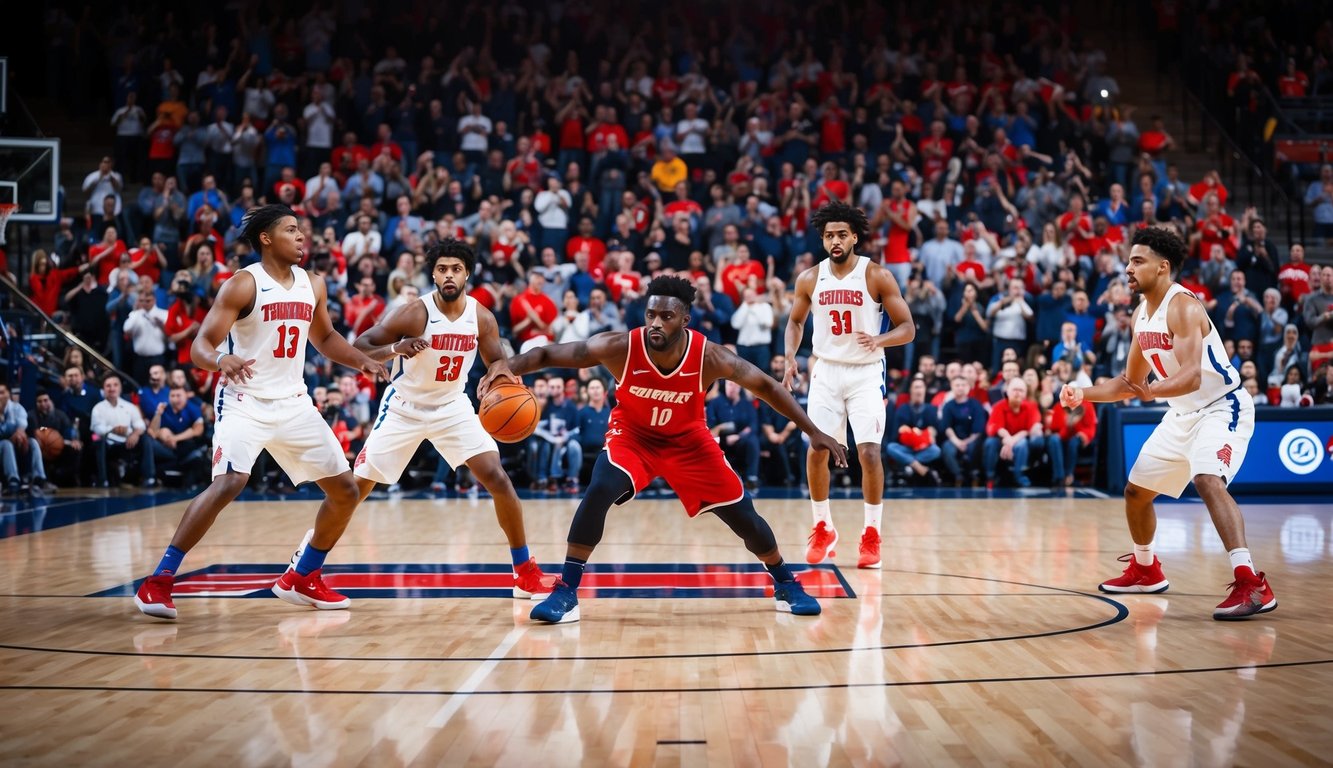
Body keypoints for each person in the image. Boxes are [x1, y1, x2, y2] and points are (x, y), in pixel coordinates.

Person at [480, 275, 848, 623]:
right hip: (634, 437)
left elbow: (767, 387)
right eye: (651, 314)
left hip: (689, 442)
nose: (656, 323)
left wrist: (813, 431)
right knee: (600, 489)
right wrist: (503, 367)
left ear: (685, 319)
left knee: (744, 516)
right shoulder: (621, 347)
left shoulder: (710, 356)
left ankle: (784, 582)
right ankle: (566, 591)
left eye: (667, 316)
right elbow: (547, 355)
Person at [135, 204, 388, 621]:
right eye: (291, 230)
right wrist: (219, 361)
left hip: (293, 402)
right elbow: (200, 345)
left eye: (301, 230)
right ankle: (158, 581)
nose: (302, 236)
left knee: (345, 491)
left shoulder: (314, 284)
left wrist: (361, 361)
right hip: (244, 399)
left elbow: (324, 337)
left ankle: (302, 577)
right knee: (229, 483)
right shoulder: (242, 284)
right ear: (267, 239)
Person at [1061, 227, 1276, 620]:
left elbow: (1192, 375)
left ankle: (1252, 582)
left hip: (1220, 406)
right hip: (1181, 414)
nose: (1128, 268)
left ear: (1163, 268)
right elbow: (1129, 383)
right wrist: (1082, 393)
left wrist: (1154, 389)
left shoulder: (1184, 307)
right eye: (1128, 261)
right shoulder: (1141, 317)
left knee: (1208, 480)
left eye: (1136, 261)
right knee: (1135, 493)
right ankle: (1146, 569)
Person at [348, 239, 555, 598]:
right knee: (354, 490)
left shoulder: (482, 317)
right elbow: (360, 345)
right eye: (442, 269)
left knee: (498, 479)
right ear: (433, 274)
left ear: (467, 274)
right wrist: (395, 348)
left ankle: (524, 571)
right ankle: (304, 569)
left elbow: (496, 360)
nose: (448, 275)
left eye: (455, 269)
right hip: (404, 407)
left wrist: (501, 375)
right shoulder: (414, 312)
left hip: (452, 406)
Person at [782, 201, 914, 570]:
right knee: (817, 448)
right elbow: (795, 322)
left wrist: (880, 340)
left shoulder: (877, 275)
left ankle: (871, 534)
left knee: (869, 453)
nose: (835, 241)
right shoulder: (810, 278)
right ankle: (822, 526)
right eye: (828, 236)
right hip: (825, 370)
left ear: (854, 236)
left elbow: (908, 328)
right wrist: (791, 356)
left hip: (866, 372)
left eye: (841, 234)